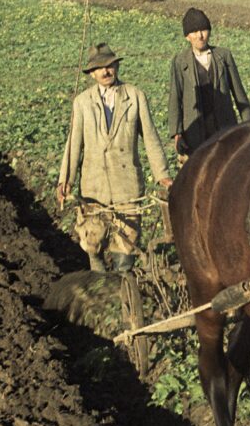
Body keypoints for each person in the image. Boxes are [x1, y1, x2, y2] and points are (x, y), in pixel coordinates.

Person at [57, 43, 172, 272]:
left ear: (117, 66)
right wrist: (65, 180)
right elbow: (74, 145)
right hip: (94, 190)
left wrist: (163, 175)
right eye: (99, 68)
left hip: (126, 188)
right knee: (93, 247)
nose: (105, 72)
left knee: (125, 249)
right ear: (91, 73)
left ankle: (122, 295)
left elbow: (150, 137)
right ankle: (100, 289)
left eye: (109, 66)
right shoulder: (82, 102)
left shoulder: (135, 96)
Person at [168, 7, 250, 158]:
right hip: (195, 133)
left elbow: (240, 95)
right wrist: (177, 133)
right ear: (187, 36)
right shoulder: (180, 61)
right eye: (194, 32)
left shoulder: (223, 56)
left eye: (204, 30)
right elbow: (175, 98)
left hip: (224, 128)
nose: (200, 36)